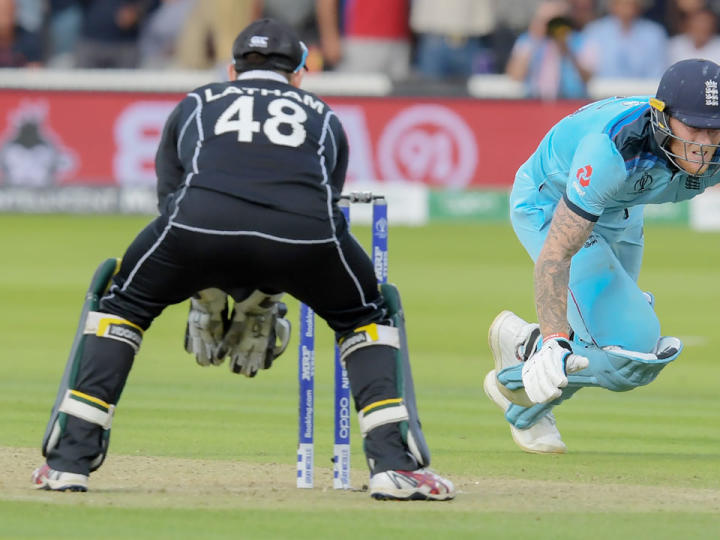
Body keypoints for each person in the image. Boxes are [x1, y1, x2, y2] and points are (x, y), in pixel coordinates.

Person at [32, 18, 455, 501]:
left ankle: (68, 463)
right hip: (304, 237)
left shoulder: (196, 102)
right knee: (365, 317)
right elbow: (322, 201)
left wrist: (201, 279)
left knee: (121, 307)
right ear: (299, 74)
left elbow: (170, 198)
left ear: (231, 71)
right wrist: (270, 284)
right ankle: (394, 468)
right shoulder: (323, 114)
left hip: (196, 227)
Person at [482, 58, 720, 453]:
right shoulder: (612, 151)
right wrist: (552, 338)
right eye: (693, 127)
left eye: (715, 128)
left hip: (622, 212)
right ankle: (516, 375)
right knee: (632, 350)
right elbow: (557, 254)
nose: (704, 143)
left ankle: (523, 383)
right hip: (550, 204)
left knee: (603, 341)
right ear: (661, 118)